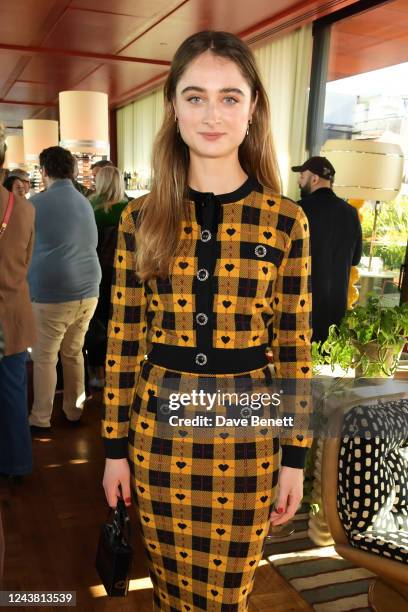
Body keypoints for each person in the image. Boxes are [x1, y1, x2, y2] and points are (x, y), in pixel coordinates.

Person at [102, 31, 312, 611]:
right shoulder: (139, 219)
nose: (212, 114)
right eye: (195, 97)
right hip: (159, 437)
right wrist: (113, 449)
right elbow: (122, 341)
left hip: (248, 435)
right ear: (173, 107)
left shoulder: (286, 220)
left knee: (227, 599)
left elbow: (294, 347)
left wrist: (295, 458)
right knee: (169, 594)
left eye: (229, 97)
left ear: (252, 109)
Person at [28, 146, 101, 430]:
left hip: (53, 293)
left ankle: (40, 418)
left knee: (45, 357)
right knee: (73, 352)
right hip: (89, 290)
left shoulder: (36, 204)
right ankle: (74, 410)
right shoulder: (84, 202)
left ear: (44, 172)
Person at [292, 156, 362, 343]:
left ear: (314, 179)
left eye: (302, 176)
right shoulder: (351, 213)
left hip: (304, 305)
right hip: (337, 306)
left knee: (303, 363)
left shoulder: (299, 210)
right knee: (331, 366)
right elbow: (355, 259)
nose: (299, 181)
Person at [0, 122, 35, 479]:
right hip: (13, 312)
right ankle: (19, 463)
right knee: (12, 392)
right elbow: (26, 260)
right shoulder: (23, 208)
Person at [85, 165, 129, 388]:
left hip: (97, 272)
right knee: (121, 322)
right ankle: (121, 369)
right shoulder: (130, 208)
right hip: (126, 274)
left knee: (96, 324)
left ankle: (97, 372)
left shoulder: (91, 208)